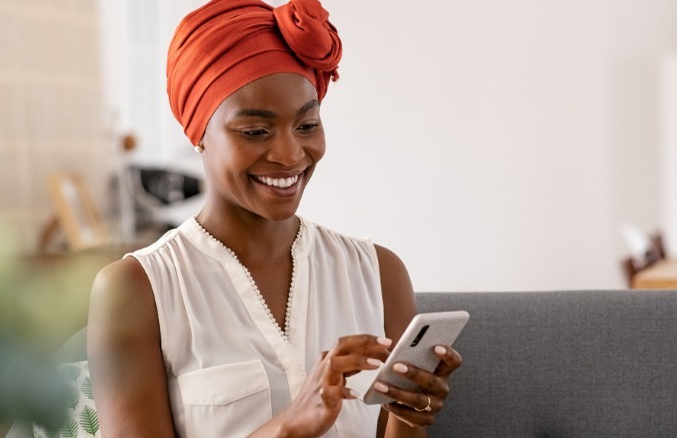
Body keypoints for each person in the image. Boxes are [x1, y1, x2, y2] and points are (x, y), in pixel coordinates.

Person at [87, 0, 462, 436]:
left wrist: (406, 416)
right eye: (255, 132)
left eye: (307, 126)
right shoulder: (136, 290)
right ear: (197, 133)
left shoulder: (379, 274)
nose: (289, 155)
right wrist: (287, 428)